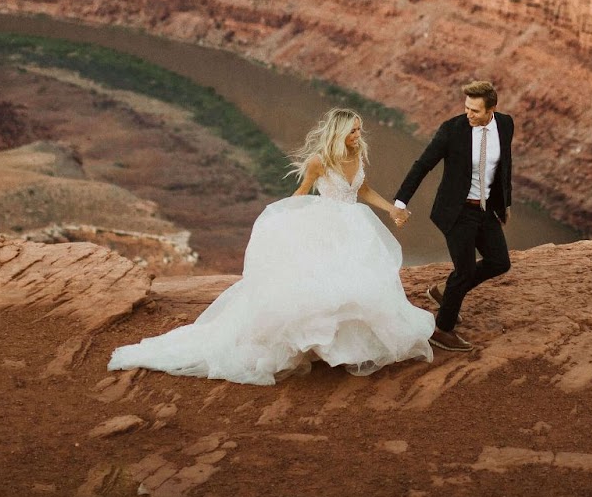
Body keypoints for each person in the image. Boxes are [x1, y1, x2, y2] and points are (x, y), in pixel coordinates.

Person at [106, 108, 434, 385]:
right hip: (325, 226)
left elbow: (363, 191)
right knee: (322, 286)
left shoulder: (357, 155)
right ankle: (312, 345)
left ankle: (344, 345)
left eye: (359, 130)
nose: (358, 135)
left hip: (355, 227)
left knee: (354, 285)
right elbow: (302, 193)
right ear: (338, 132)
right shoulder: (319, 162)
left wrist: (391, 209)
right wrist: (283, 220)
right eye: (352, 131)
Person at [392, 80, 512, 353]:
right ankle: (442, 330)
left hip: (484, 209)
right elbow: (423, 165)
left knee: (500, 262)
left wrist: (506, 204)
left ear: (492, 109)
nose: (469, 114)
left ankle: (445, 294)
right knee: (465, 270)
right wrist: (400, 201)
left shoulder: (505, 124)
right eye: (467, 108)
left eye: (475, 111)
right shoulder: (452, 130)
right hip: (456, 211)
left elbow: (506, 165)